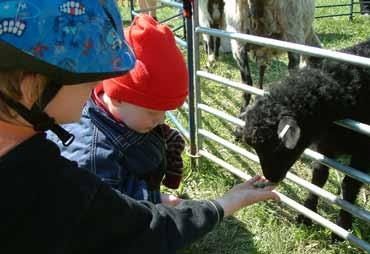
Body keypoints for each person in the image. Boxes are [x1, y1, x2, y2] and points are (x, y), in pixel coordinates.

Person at [0, 1, 279, 253]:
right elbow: (139, 229)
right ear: (31, 87)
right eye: (89, 79)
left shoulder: (30, 154)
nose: (98, 88)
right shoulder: (53, 186)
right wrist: (223, 204)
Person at [48, 15, 188, 206]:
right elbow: (106, 204)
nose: (161, 120)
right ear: (117, 97)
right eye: (153, 113)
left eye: (163, 112)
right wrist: (155, 200)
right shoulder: (92, 154)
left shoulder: (130, 117)